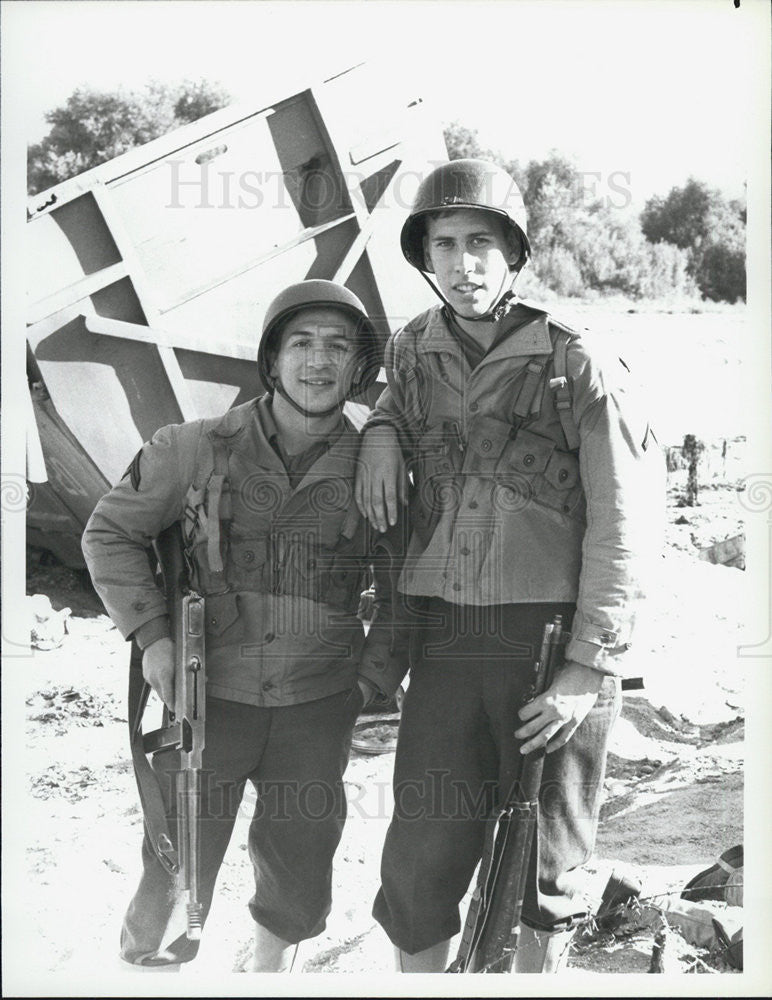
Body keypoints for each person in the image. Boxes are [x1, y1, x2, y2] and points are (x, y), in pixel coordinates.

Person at [354, 159, 664, 973]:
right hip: (447, 638)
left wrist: (586, 668)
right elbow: (395, 406)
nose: (463, 264)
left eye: (482, 243)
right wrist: (383, 435)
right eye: (445, 244)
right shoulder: (414, 349)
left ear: (515, 252)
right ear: (424, 256)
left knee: (544, 868)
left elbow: (626, 523)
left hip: (550, 643)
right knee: (420, 864)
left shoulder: (577, 359)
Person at [82, 279, 406, 972]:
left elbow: (407, 584)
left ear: (357, 368)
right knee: (175, 863)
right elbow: (109, 535)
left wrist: (372, 681)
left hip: (317, 708)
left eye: (336, 347)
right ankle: (147, 972)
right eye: (300, 343)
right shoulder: (192, 448)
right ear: (271, 359)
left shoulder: (377, 466)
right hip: (206, 700)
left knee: (298, 868)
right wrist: (152, 637)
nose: (317, 362)